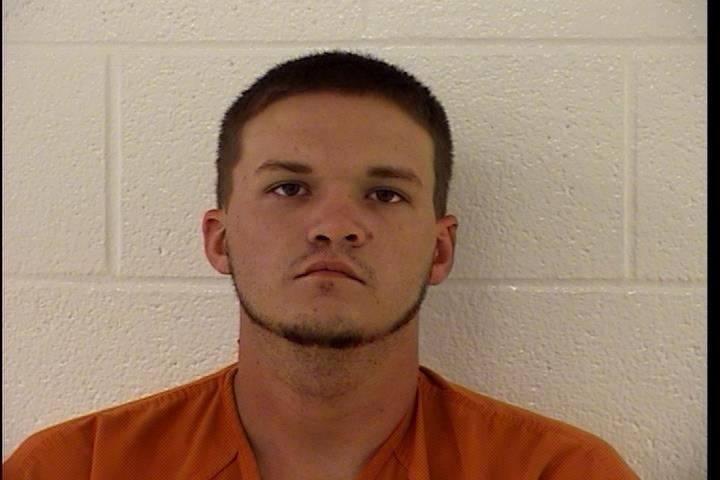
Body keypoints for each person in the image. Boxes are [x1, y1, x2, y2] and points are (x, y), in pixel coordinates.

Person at [3, 51, 639, 480]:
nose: (335, 225)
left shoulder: (560, 472)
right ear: (220, 240)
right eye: (289, 188)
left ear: (440, 250)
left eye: (384, 193)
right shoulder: (73, 468)